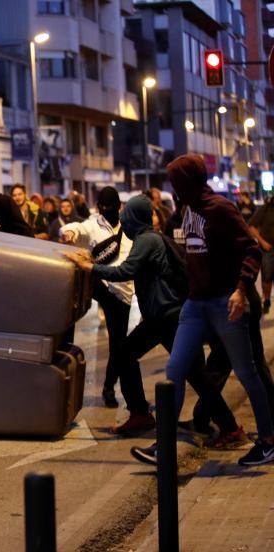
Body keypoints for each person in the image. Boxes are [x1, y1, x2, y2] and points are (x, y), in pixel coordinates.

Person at [130, 154, 274, 467]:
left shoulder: (220, 209)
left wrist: (240, 290)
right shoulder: (187, 209)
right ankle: (164, 446)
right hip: (195, 305)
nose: (173, 188)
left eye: (176, 182)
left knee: (248, 373)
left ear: (188, 182)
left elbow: (251, 250)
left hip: (225, 302)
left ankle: (268, 440)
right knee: (174, 371)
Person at [64, 196, 241, 441]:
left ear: (135, 216)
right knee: (130, 355)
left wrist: (90, 268)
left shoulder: (147, 240)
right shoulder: (148, 238)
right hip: (161, 316)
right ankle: (141, 414)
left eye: (127, 212)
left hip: (166, 317)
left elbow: (124, 271)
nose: (123, 217)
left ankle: (229, 428)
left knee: (191, 373)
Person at [62, 187, 133, 408]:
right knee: (117, 342)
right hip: (102, 285)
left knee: (118, 344)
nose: (105, 210)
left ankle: (110, 387)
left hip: (124, 291)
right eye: (102, 207)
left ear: (119, 206)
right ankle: (106, 387)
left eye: (109, 207)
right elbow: (77, 227)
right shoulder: (94, 223)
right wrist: (70, 232)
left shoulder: (129, 225)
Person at [248, 196, 274, 314]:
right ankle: (266, 299)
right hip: (268, 249)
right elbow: (251, 227)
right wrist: (262, 242)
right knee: (267, 277)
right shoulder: (266, 209)